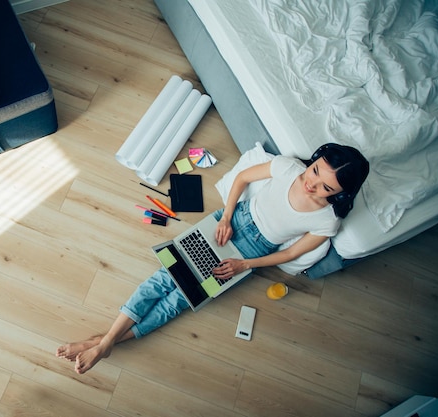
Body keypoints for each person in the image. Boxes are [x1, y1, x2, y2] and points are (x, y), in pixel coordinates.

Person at [56, 143, 369, 374]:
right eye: (315, 170)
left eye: (325, 186)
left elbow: (288, 253)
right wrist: (226, 217)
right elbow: (243, 178)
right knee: (164, 278)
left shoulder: (327, 221)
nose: (311, 182)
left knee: (179, 300)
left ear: (340, 194)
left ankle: (99, 344)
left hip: (252, 253)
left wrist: (244, 265)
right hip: (228, 224)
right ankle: (106, 343)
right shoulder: (289, 168)